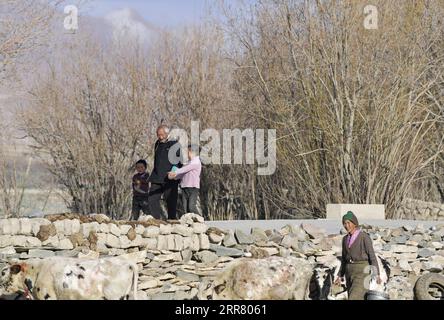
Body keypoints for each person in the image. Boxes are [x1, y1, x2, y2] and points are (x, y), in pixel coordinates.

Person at [334, 211, 381, 300]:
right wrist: (340, 275)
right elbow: (344, 259)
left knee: (354, 298)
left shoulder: (364, 237)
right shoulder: (345, 239)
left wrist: (377, 274)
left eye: (348, 223)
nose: (346, 225)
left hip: (362, 272)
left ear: (354, 223)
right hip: (349, 273)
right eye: (344, 223)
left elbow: (372, 256)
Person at [147, 125, 182, 220]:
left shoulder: (174, 144)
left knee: (170, 201)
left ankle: (172, 221)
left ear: (167, 134)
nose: (160, 137)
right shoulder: (157, 144)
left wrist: (174, 172)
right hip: (156, 177)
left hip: (169, 177)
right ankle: (155, 221)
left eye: (162, 135)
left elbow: (179, 162)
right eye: (158, 135)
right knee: (152, 199)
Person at [168, 144, 201, 217]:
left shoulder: (196, 162)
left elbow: (186, 169)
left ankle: (200, 219)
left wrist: (175, 172)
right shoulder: (188, 163)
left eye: (188, 152)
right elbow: (183, 173)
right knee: (185, 209)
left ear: (193, 152)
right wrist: (175, 176)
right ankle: (190, 224)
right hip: (184, 187)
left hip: (193, 187)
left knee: (191, 207)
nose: (187, 154)